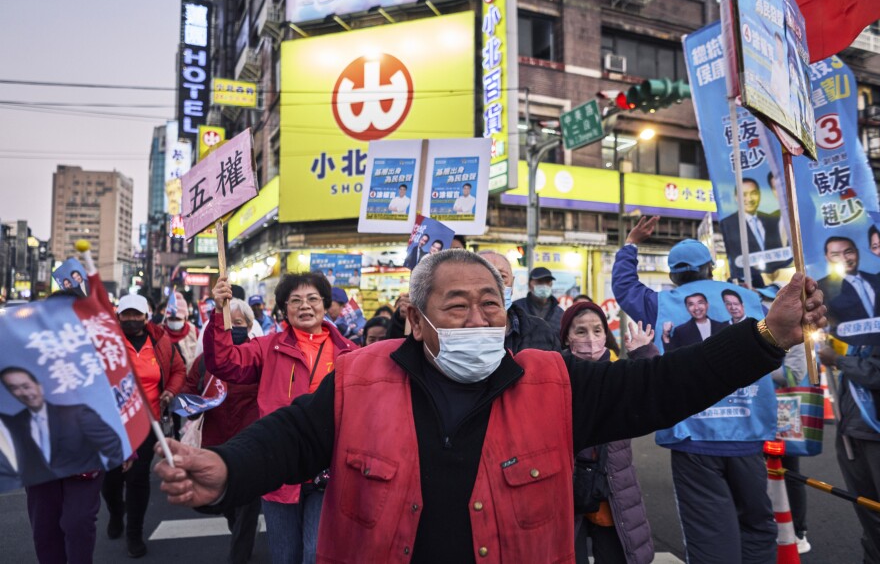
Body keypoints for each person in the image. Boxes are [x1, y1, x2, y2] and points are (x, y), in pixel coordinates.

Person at [154, 248, 826, 563]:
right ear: (415, 318)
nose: (480, 317)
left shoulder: (557, 380)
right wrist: (224, 467)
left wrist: (766, 336)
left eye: (491, 303)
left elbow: (661, 388)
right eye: (459, 304)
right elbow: (285, 439)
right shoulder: (358, 380)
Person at [612, 216, 780, 564]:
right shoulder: (751, 300)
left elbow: (625, 287)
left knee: (710, 535)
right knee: (758, 527)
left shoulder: (660, 303)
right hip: (748, 434)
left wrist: (631, 243)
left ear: (674, 275)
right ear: (711, 269)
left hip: (693, 436)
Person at [204, 272, 357, 564]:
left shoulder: (350, 353)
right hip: (279, 468)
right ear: (284, 309)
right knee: (285, 556)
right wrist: (220, 312)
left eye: (313, 299)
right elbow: (224, 362)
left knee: (315, 553)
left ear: (325, 305)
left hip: (330, 470)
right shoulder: (268, 347)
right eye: (295, 300)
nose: (305, 306)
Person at [561, 304, 653, 564]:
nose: (590, 338)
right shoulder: (555, 374)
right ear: (567, 336)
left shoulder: (619, 372)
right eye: (581, 331)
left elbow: (653, 392)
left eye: (597, 330)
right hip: (567, 490)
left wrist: (644, 354)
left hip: (614, 489)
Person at [103, 293, 186, 558]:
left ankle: (134, 533)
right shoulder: (106, 343)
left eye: (136, 314)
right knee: (111, 479)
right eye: (125, 314)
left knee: (138, 478)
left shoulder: (161, 342)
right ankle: (117, 512)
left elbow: (178, 370)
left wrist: (170, 392)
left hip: (148, 423)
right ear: (118, 316)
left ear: (145, 317)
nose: (131, 319)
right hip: (113, 425)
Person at [184, 298, 261, 564]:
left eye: (238, 323)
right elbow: (188, 393)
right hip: (216, 444)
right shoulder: (205, 361)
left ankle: (239, 556)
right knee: (229, 503)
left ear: (249, 326)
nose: (233, 328)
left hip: (251, 444)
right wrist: (190, 405)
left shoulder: (260, 358)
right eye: (228, 323)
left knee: (247, 507)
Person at [0, 367, 123, 484]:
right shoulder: (14, 423)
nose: (24, 393)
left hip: (81, 481)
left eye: (26, 386)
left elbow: (113, 447)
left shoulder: (78, 413)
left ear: (39, 386)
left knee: (78, 507)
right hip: (41, 487)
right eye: (14, 388)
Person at [818, 345, 880, 564]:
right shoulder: (856, 335)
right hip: (852, 432)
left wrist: (838, 359)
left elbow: (875, 373)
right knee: (866, 510)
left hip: (874, 435)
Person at [761, 286, 811, 554]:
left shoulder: (797, 332)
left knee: (789, 471)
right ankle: (771, 526)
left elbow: (793, 373)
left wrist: (757, 366)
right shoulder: (760, 329)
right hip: (762, 411)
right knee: (761, 471)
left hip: (785, 412)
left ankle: (799, 531)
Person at [480, 251, 559, 354]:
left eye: (502, 277)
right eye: (482, 276)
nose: (494, 285)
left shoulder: (542, 330)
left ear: (512, 283)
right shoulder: (456, 330)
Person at [817, 236, 880, 345]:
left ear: (857, 253)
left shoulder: (876, 279)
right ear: (827, 258)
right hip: (847, 353)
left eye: (848, 252)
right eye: (836, 255)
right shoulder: (821, 288)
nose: (844, 259)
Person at [719, 177, 786, 278]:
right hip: (750, 283)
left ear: (759, 194)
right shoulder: (728, 224)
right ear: (736, 197)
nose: (749, 199)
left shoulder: (771, 219)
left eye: (753, 193)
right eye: (744, 195)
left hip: (780, 278)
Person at [662, 292, 726, 350]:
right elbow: (673, 356)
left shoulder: (722, 327)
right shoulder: (680, 331)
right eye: (691, 304)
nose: (696, 308)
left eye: (700, 303)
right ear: (687, 308)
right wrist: (665, 336)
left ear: (707, 305)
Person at [511, 266, 564, 334]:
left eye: (547, 282)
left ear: (551, 284)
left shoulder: (560, 313)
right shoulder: (516, 308)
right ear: (529, 285)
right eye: (539, 281)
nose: (544, 285)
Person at [163, 291, 199, 371]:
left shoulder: (193, 331)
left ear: (185, 318)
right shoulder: (160, 333)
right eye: (171, 318)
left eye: (178, 318)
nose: (174, 321)